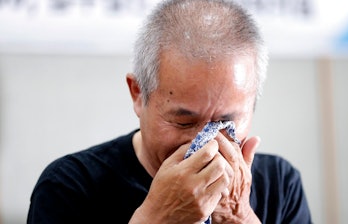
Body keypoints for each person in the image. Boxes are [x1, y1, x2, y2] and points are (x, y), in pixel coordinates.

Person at [28, 0, 312, 223]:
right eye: (184, 121)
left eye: (226, 122)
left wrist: (238, 216)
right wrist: (157, 218)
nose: (207, 143)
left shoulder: (280, 184)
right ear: (139, 94)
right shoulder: (69, 187)